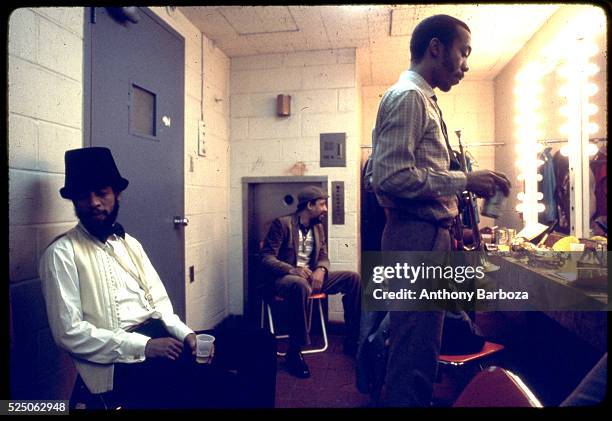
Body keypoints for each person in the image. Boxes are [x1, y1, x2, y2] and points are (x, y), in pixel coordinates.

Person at [40, 147, 276, 409]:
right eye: (84, 196)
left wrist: (188, 336)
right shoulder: (61, 254)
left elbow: (161, 306)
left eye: (102, 193)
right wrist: (145, 347)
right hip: (119, 362)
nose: (94, 202)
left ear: (117, 195)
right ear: (74, 202)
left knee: (259, 343)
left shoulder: (129, 244)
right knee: (226, 389)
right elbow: (69, 333)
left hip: (163, 339)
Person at [365, 14, 511, 407]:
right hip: (417, 237)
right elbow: (389, 177)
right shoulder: (410, 96)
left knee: (421, 348)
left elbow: (381, 172)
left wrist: (462, 181)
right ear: (435, 48)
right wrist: (464, 180)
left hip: (425, 236)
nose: (466, 64)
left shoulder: (420, 98)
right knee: (414, 355)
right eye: (463, 53)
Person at [260, 185, 362, 378]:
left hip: (310, 278)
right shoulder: (282, 224)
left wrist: (321, 269)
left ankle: (352, 339)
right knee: (300, 285)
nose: (325, 209)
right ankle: (294, 351)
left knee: (353, 278)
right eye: (322, 204)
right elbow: (266, 258)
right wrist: (292, 270)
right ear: (309, 205)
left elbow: (323, 254)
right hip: (284, 280)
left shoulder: (318, 227)